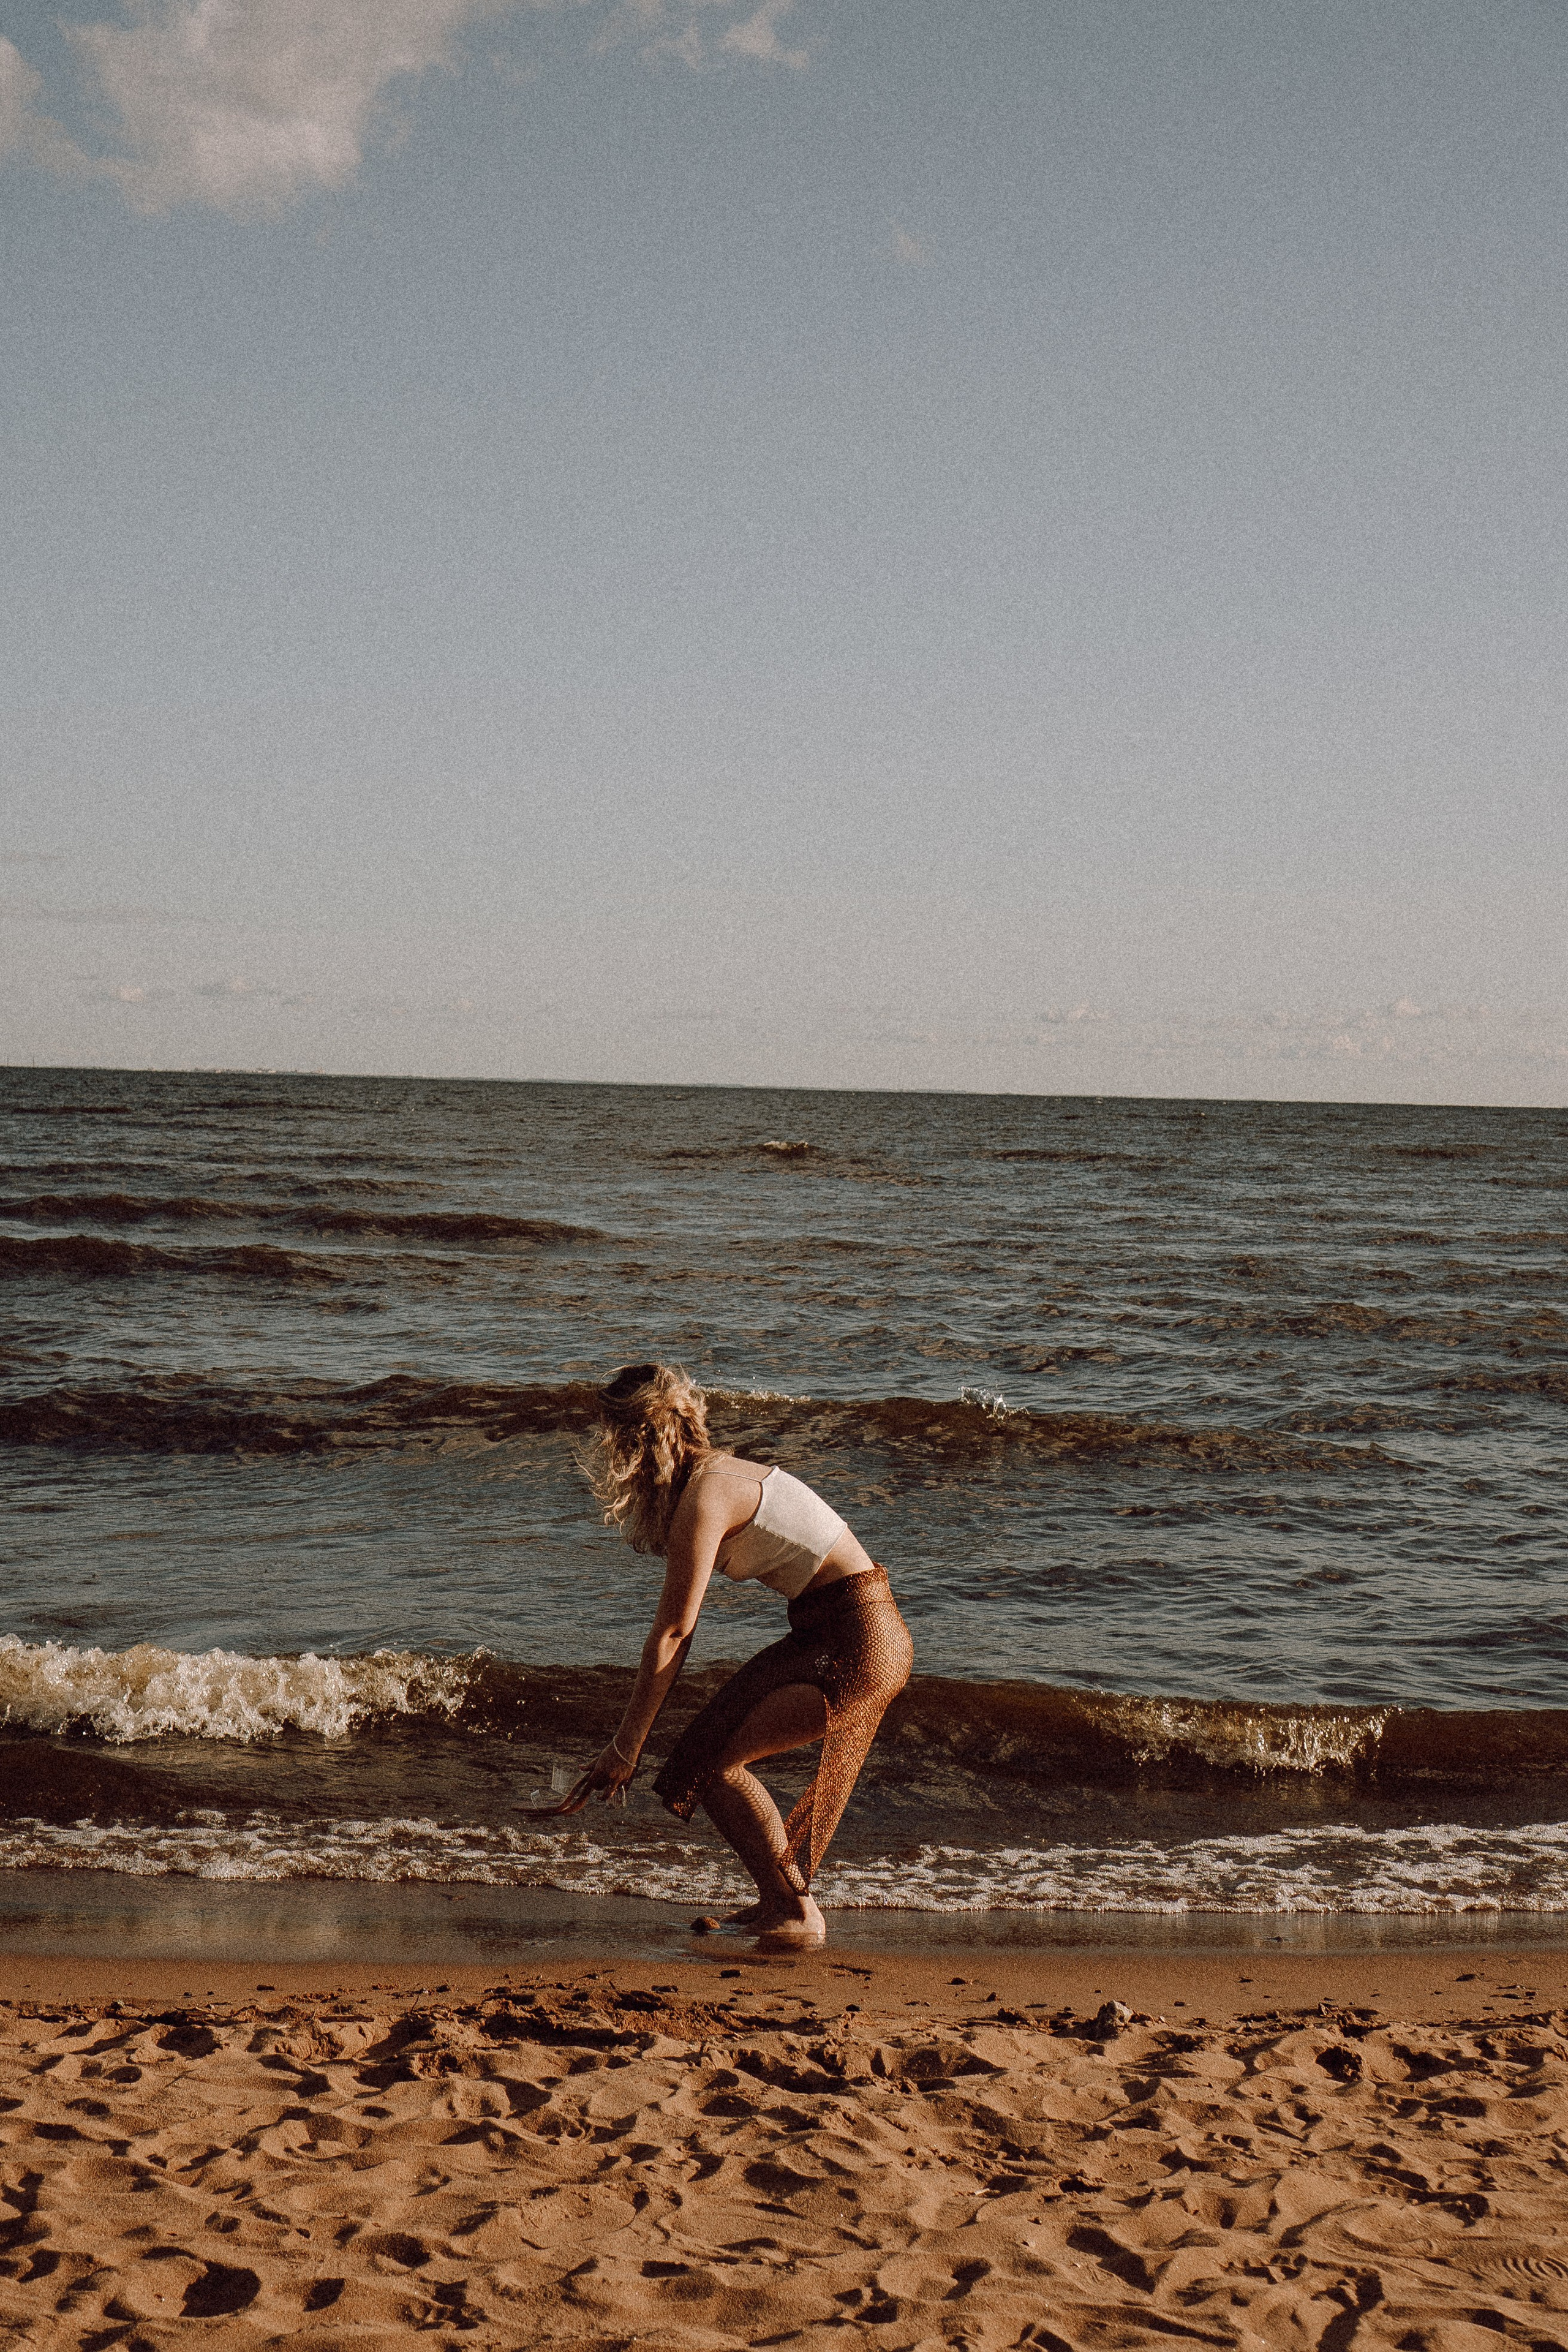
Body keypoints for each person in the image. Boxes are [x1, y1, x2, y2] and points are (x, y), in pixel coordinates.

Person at [557, 1362, 913, 1945]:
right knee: (708, 1752)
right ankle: (780, 1899)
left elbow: (675, 1632)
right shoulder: (716, 1478)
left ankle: (795, 1913)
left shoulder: (708, 1495)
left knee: (714, 1763)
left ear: (636, 1444)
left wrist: (626, 1748)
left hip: (857, 1638)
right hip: (841, 1627)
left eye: (611, 1441)